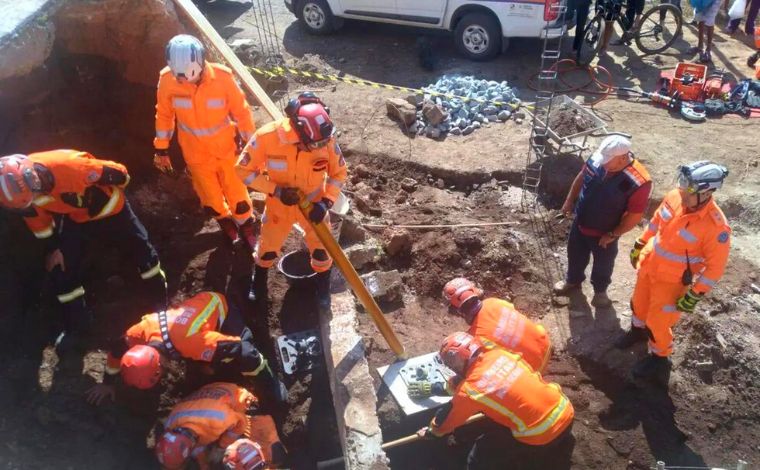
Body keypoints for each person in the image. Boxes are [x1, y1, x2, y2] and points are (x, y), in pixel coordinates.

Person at [0, 150, 166, 352]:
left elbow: (122, 175)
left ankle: (160, 306)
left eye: (36, 191)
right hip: (78, 221)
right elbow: (41, 226)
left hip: (114, 211)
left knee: (144, 255)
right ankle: (79, 328)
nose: (37, 196)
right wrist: (55, 248)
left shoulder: (73, 167)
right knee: (62, 272)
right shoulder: (24, 200)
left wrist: (109, 181)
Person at [618, 161, 730, 381]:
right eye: (682, 183)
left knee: (657, 322)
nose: (682, 191)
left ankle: (660, 358)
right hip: (649, 266)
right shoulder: (674, 197)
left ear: (706, 192)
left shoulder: (716, 228)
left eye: (688, 188)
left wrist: (695, 293)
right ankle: (637, 333)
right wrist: (641, 244)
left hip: (672, 283)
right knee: (638, 305)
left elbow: (715, 268)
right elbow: (655, 223)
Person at [235, 92, 347, 310]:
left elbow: (339, 173)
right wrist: (275, 190)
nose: (319, 147)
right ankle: (258, 282)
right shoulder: (267, 137)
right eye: (313, 145)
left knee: (323, 250)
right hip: (279, 207)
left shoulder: (324, 139)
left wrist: (326, 203)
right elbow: (242, 169)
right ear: (298, 131)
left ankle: (323, 285)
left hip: (314, 206)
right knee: (267, 248)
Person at [85, 291, 286, 405]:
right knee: (205, 364)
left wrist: (268, 384)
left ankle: (272, 383)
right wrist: (107, 382)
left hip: (221, 310)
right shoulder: (138, 333)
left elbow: (244, 351)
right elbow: (116, 350)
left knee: (239, 353)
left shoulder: (194, 344)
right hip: (193, 322)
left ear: (160, 365)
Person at [412, 332, 574, 470]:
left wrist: (432, 432)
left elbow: (447, 420)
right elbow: (481, 379)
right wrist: (437, 388)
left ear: (455, 363)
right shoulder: (500, 354)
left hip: (539, 435)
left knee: (477, 461)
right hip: (565, 410)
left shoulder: (470, 390)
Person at [154, 34, 258, 250]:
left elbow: (242, 112)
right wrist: (161, 149)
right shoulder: (167, 80)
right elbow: (164, 115)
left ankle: (246, 222)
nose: (186, 82)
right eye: (181, 79)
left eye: (191, 77)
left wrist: (252, 146)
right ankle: (224, 220)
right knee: (209, 194)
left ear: (201, 62)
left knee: (236, 190)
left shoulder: (222, 78)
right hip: (195, 154)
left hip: (226, 149)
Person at [553, 136, 652, 308]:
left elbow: (635, 215)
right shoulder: (598, 158)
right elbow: (581, 177)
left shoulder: (638, 180)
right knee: (575, 254)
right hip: (581, 221)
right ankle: (572, 281)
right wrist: (569, 201)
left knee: (603, 264)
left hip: (605, 232)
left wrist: (613, 234)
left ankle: (600, 292)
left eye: (608, 161)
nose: (603, 163)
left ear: (623, 157)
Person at [156, 382, 285, 470]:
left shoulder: (218, 418)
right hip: (213, 399)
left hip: (242, 410)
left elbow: (240, 424)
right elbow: (196, 448)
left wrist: (221, 447)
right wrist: (205, 465)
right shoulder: (172, 424)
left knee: (272, 456)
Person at [442, 277, 552, 372]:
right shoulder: (493, 302)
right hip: (545, 343)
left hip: (535, 367)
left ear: (458, 311)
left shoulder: (475, 339)